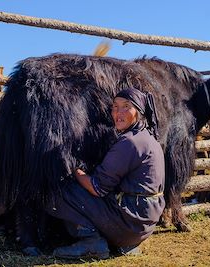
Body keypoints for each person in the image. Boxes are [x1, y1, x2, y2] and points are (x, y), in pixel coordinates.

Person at [46, 87, 165, 259]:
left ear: (138, 112)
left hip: (130, 224)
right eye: (115, 107)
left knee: (59, 192)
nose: (118, 112)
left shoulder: (129, 143)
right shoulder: (147, 138)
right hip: (143, 224)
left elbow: (97, 188)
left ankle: (91, 242)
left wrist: (74, 170)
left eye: (126, 107)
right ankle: (123, 243)